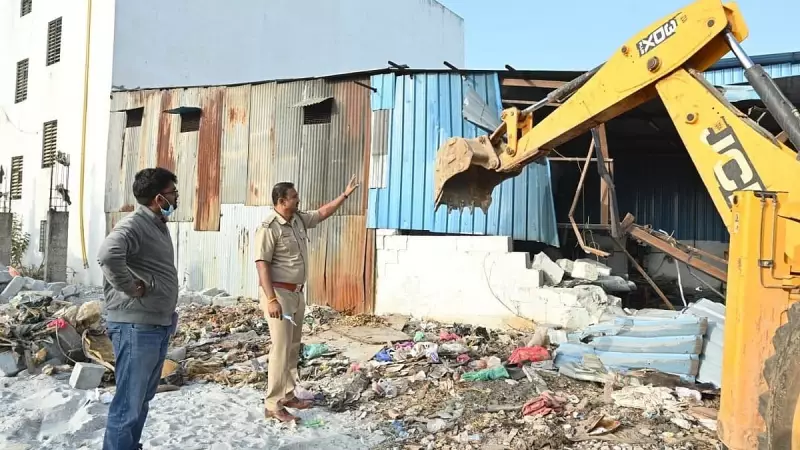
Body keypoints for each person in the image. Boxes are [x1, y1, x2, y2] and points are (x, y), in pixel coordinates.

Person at [255, 175, 359, 422]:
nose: (298, 199)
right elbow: (262, 265)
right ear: (282, 201)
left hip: (296, 293)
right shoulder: (269, 228)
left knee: (293, 347)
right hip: (278, 294)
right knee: (280, 349)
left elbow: (322, 213)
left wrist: (344, 195)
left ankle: (288, 394)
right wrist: (271, 299)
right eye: (294, 197)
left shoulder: (298, 219)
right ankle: (272, 404)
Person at [98, 167, 181, 450]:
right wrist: (130, 287)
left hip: (154, 324)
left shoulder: (155, 224)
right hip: (136, 326)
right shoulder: (135, 224)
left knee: (141, 399)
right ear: (159, 198)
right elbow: (108, 254)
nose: (176, 198)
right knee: (128, 403)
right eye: (173, 192)